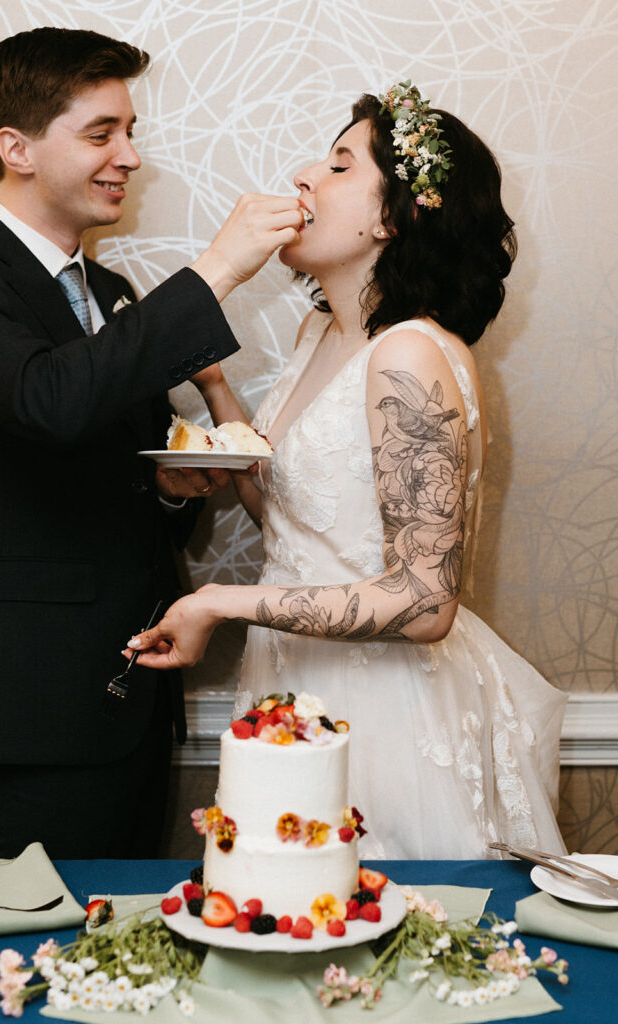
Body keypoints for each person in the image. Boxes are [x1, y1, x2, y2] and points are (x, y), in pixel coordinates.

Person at [126, 81, 568, 858]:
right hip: (290, 684)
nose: (302, 177)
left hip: (382, 708)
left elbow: (425, 602)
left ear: (390, 216)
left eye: (335, 167)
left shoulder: (409, 356)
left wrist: (221, 600)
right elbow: (295, 522)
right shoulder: (317, 330)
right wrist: (217, 390)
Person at [0, 27, 303, 860]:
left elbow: (116, 464)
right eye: (101, 133)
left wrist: (169, 489)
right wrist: (217, 268)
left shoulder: (109, 290)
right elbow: (46, 402)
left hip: (141, 688)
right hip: (37, 698)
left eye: (131, 132)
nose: (130, 157)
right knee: (32, 959)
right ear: (18, 148)